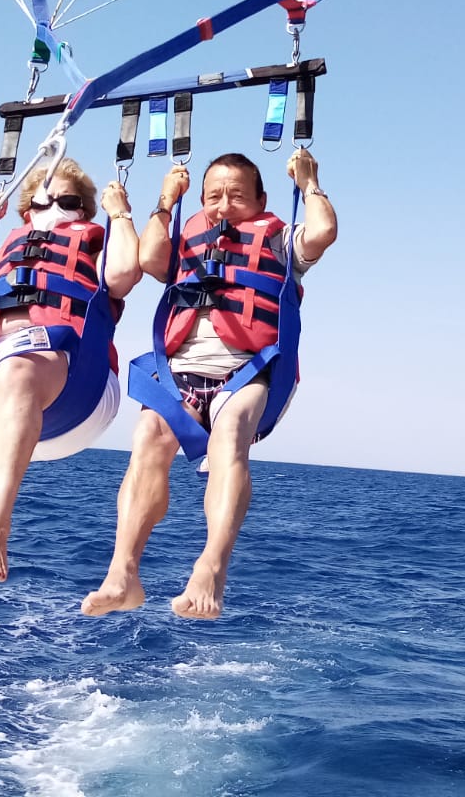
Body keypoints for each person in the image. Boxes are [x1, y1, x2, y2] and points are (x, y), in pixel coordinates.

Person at [82, 147, 336, 620]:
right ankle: (123, 573)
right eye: (213, 196)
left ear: (261, 198)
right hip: (180, 367)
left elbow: (322, 232)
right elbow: (151, 259)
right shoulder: (186, 237)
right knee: (148, 440)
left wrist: (309, 182)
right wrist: (166, 199)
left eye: (236, 196)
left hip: (249, 367)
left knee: (230, 435)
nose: (222, 205)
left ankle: (211, 568)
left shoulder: (282, 240)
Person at [0, 159, 140, 598]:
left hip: (75, 386)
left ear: (84, 211)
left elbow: (125, 274)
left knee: (14, 367)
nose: (54, 207)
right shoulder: (1, 256)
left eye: (68, 202)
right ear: (26, 211)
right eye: (42, 201)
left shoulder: (97, 248)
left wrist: (120, 214)